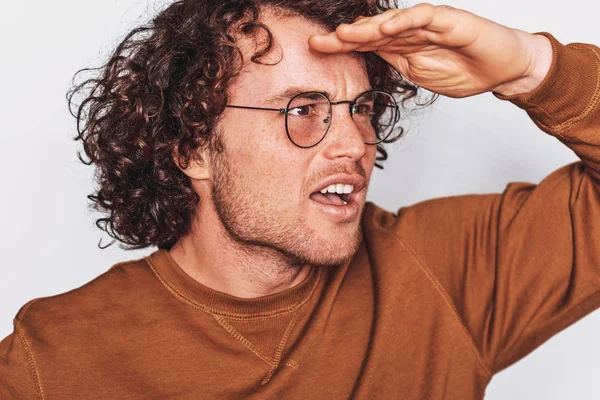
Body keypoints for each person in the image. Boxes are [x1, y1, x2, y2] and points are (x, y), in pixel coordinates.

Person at [1, 0, 598, 398]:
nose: (353, 143)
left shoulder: (447, 270)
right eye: (302, 110)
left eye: (360, 108)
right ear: (192, 148)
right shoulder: (54, 361)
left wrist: (530, 66)